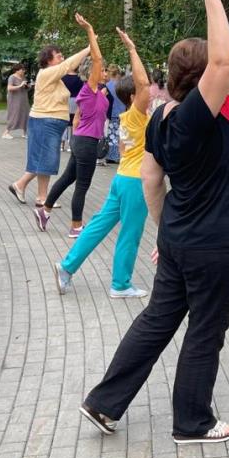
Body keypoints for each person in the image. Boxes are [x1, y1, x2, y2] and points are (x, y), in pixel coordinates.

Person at [79, 0, 229, 445]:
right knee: (206, 330)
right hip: (216, 244)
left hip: (183, 239)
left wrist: (166, 231)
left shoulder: (161, 115)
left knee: (159, 319)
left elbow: (151, 179)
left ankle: (103, 402)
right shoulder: (194, 117)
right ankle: (192, 422)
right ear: (203, 79)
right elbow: (226, 59)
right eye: (217, 76)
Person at [55, 28, 152, 299]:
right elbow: (143, 85)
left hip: (122, 179)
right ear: (133, 97)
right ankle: (120, 285)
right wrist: (132, 50)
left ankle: (66, 267)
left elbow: (123, 148)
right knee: (130, 234)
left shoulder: (128, 118)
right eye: (144, 93)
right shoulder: (136, 114)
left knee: (97, 226)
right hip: (134, 182)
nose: (150, 93)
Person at [33, 16, 108, 237]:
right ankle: (76, 226)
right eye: (101, 71)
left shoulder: (99, 93)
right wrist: (90, 31)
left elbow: (77, 119)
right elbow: (97, 59)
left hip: (81, 140)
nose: (103, 72)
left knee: (68, 178)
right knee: (82, 185)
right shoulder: (89, 89)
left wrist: (76, 136)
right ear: (92, 74)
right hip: (85, 143)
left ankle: (44, 211)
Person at [8, 16, 93, 208]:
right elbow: (67, 66)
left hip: (47, 122)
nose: (62, 58)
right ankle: (38, 196)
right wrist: (88, 49)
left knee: (43, 159)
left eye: (63, 55)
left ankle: (25, 188)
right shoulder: (47, 73)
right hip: (46, 121)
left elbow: (66, 68)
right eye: (59, 55)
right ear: (48, 60)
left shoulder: (54, 77)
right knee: (45, 159)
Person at [2, 64, 30, 139]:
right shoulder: (12, 77)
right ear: (17, 70)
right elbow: (9, 88)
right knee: (14, 115)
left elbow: (25, 89)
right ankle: (5, 133)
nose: (23, 71)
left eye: (24, 69)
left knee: (25, 115)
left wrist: (28, 86)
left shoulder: (23, 77)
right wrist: (20, 85)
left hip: (23, 99)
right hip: (14, 100)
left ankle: (25, 133)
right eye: (22, 69)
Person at [105, 65, 125, 165]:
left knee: (110, 134)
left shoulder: (107, 86)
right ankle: (117, 155)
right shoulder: (121, 85)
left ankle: (109, 155)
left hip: (111, 112)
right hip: (121, 112)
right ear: (117, 74)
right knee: (119, 135)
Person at [61, 68, 84, 152]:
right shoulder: (79, 78)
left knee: (65, 122)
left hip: (66, 100)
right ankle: (71, 145)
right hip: (76, 101)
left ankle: (62, 145)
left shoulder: (63, 78)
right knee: (73, 123)